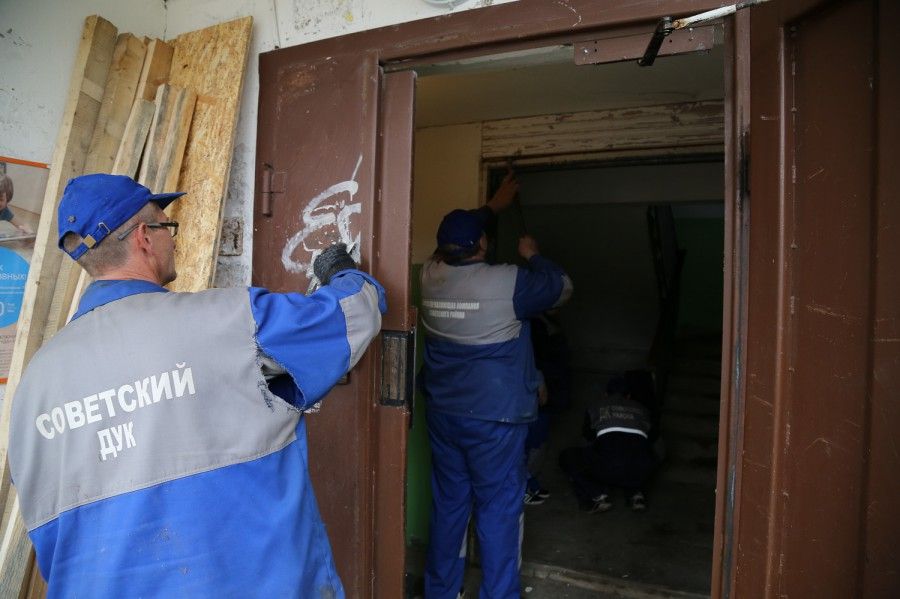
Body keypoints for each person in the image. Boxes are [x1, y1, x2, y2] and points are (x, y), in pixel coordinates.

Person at [8, 173, 386, 597]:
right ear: (144, 238)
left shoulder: (33, 388)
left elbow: (47, 535)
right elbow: (353, 317)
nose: (172, 240)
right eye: (166, 227)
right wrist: (343, 274)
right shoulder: (232, 320)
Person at [420, 173, 573, 599]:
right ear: (483, 244)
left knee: (450, 505)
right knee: (499, 508)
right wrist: (533, 255)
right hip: (495, 420)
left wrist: (491, 207)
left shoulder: (429, 276)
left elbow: (457, 240)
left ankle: (441, 592)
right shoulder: (510, 282)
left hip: (444, 414)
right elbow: (562, 288)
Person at [558, 376, 657, 513]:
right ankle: (636, 494)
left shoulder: (595, 407)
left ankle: (597, 495)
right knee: (640, 456)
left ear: (605, 394)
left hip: (608, 468)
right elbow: (655, 443)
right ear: (629, 396)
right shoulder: (643, 410)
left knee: (567, 456)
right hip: (640, 470)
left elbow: (587, 439)